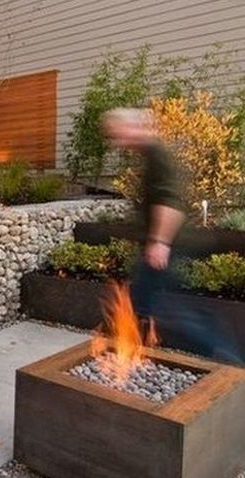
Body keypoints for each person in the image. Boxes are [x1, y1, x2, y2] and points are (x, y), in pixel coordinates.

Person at [103, 108, 243, 364]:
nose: (117, 141)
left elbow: (170, 203)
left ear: (135, 128)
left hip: (167, 245)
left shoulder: (157, 155)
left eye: (119, 133)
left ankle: (232, 358)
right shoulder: (150, 155)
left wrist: (160, 242)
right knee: (150, 303)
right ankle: (134, 357)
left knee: (168, 310)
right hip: (163, 245)